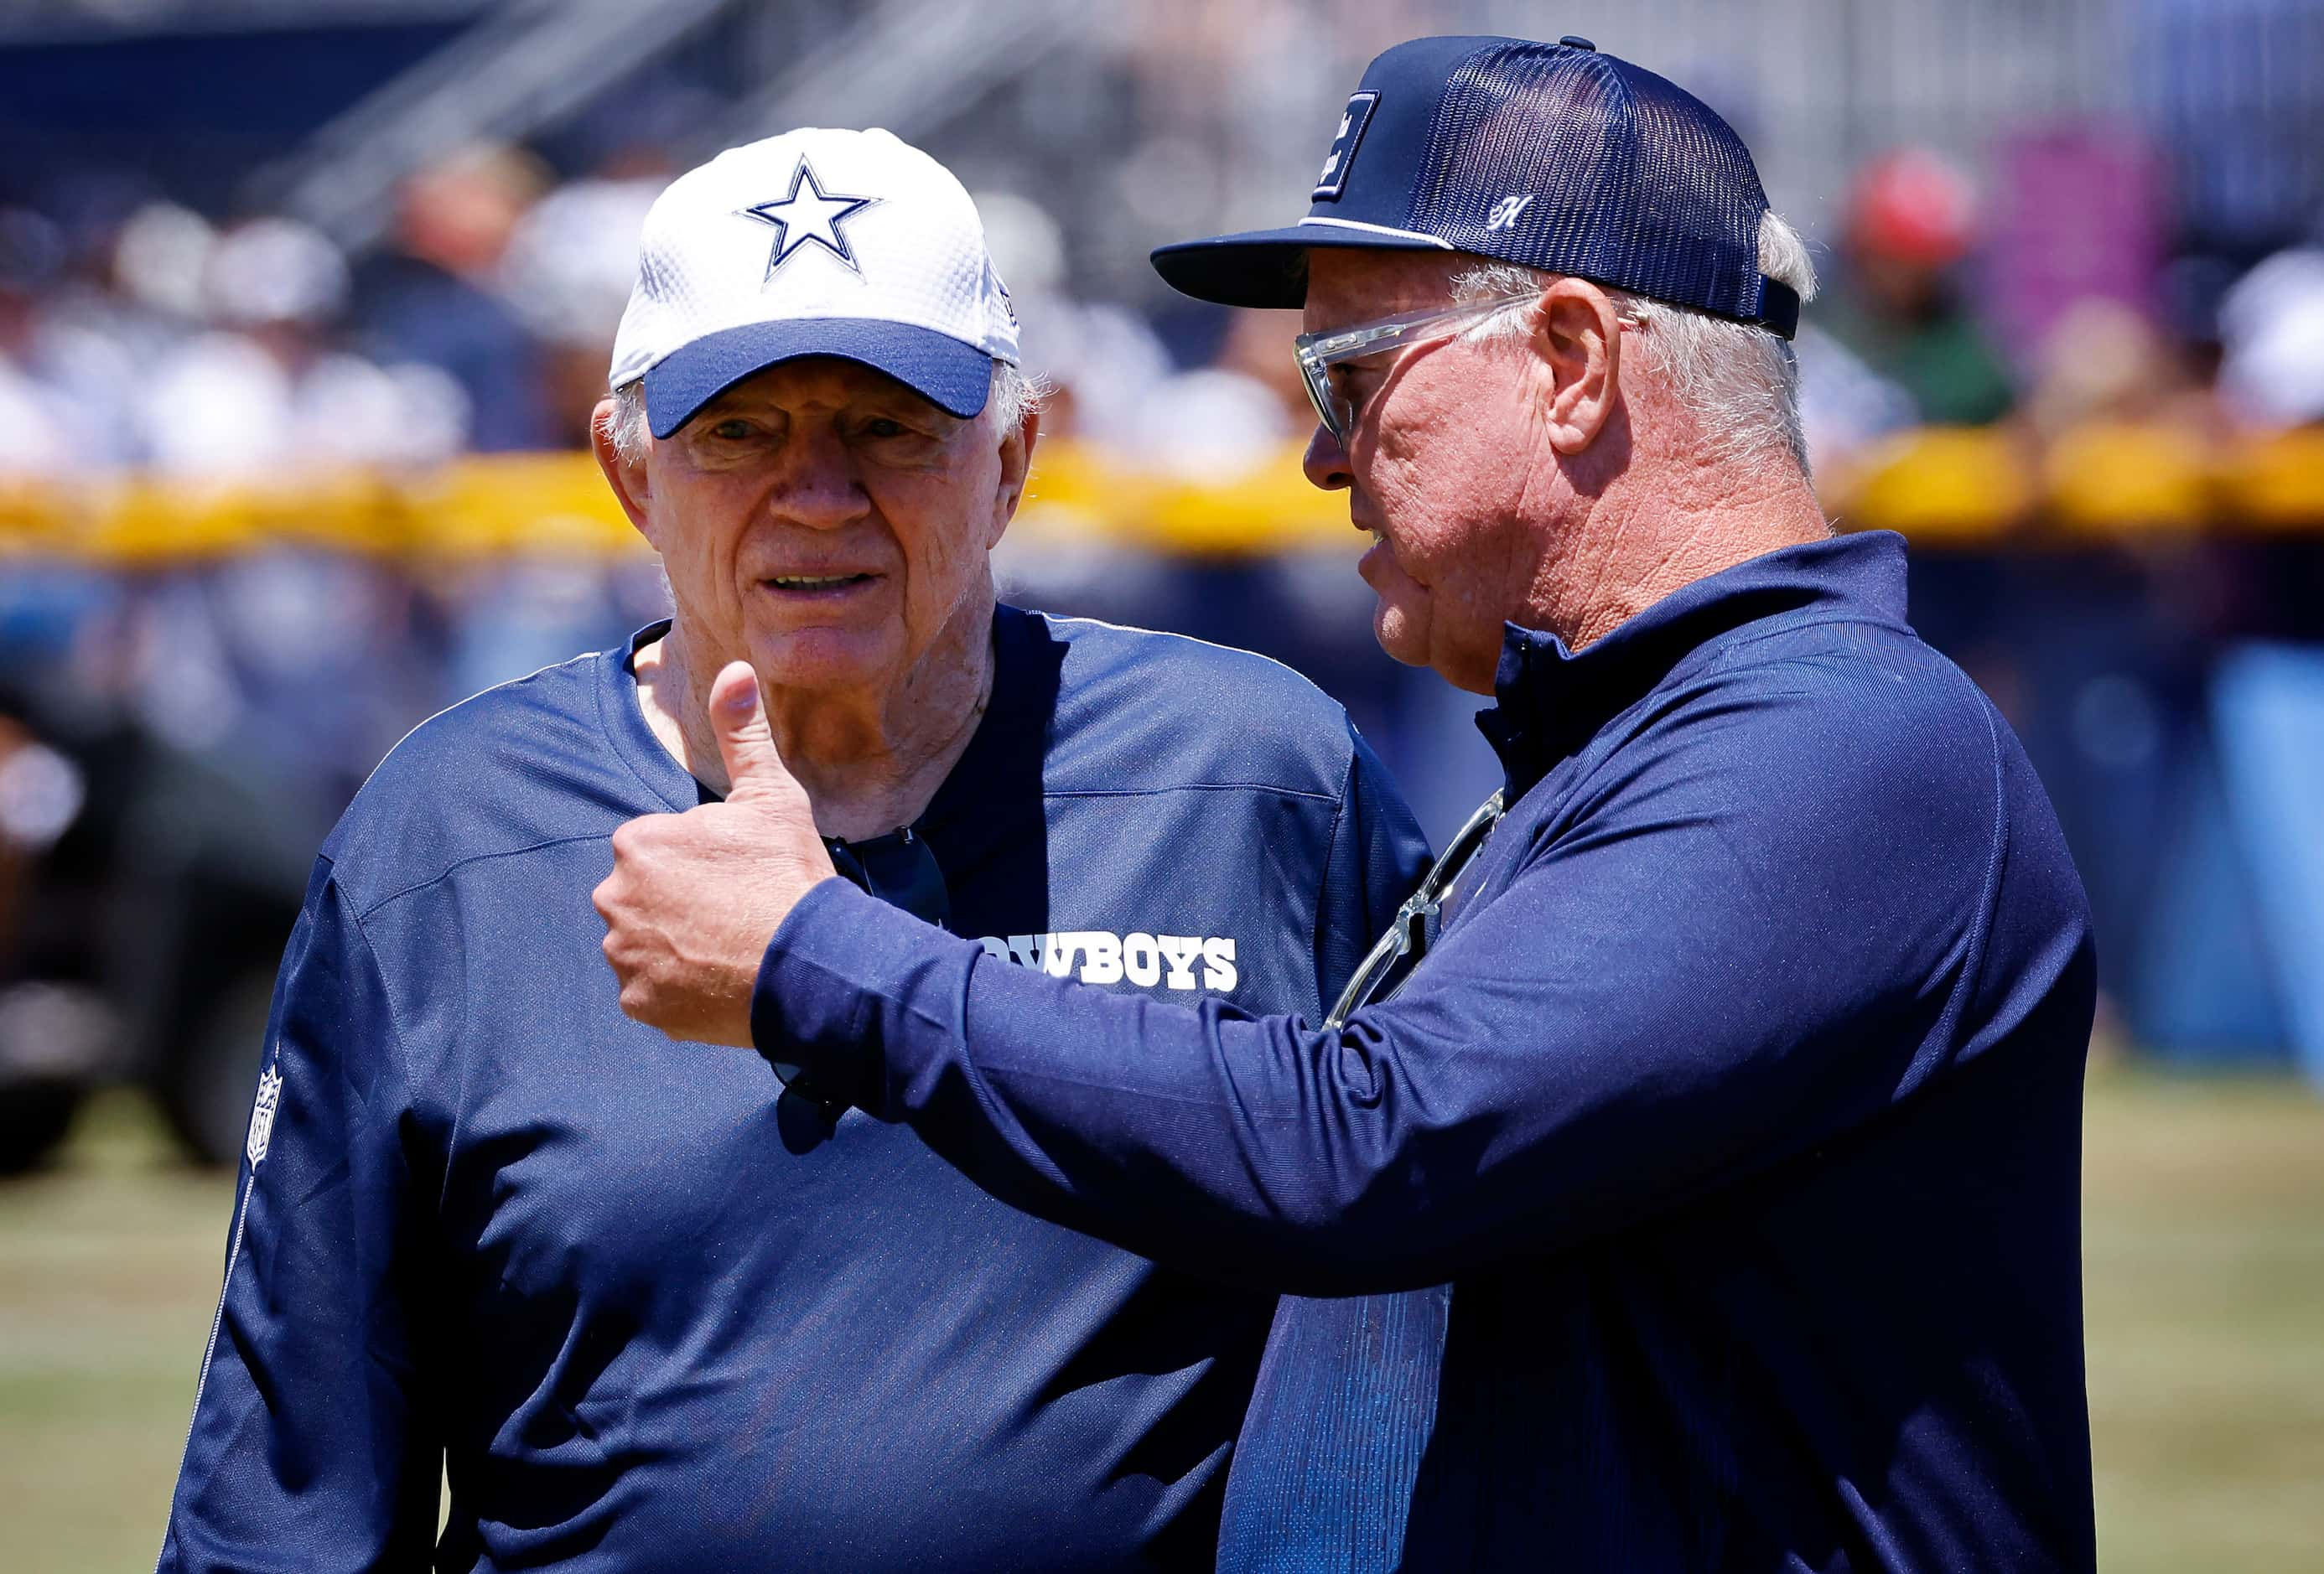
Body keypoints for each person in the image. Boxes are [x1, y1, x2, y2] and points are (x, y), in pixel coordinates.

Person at [599, 37, 2101, 1572]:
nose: (1317, 455)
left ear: (1571, 360)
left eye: (1353, 377)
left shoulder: (1836, 743)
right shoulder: (1646, 739)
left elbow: (1367, 1144)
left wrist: (815, 957)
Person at [158, 127, 1435, 1571]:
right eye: (740, 431)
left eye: (889, 428)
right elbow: (288, 1497)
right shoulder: (447, 838)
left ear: (1014, 457)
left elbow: (1443, 1314)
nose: (818, 493)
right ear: (631, 474)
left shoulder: (1252, 781)